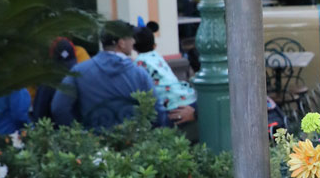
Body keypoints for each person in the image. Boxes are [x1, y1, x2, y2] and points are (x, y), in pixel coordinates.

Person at [51, 21, 194, 131]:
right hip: (133, 149)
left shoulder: (79, 71)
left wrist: (80, 135)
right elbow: (157, 115)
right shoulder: (140, 74)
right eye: (131, 38)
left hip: (94, 149)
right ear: (121, 43)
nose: (133, 42)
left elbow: (59, 108)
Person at [133, 26, 197, 112]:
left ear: (133, 46)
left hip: (171, 103)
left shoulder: (138, 62)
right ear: (154, 45)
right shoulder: (156, 55)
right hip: (185, 95)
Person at [31, 38, 80, 123]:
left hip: (55, 132)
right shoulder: (82, 75)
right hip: (82, 131)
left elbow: (39, 114)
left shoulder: (48, 82)